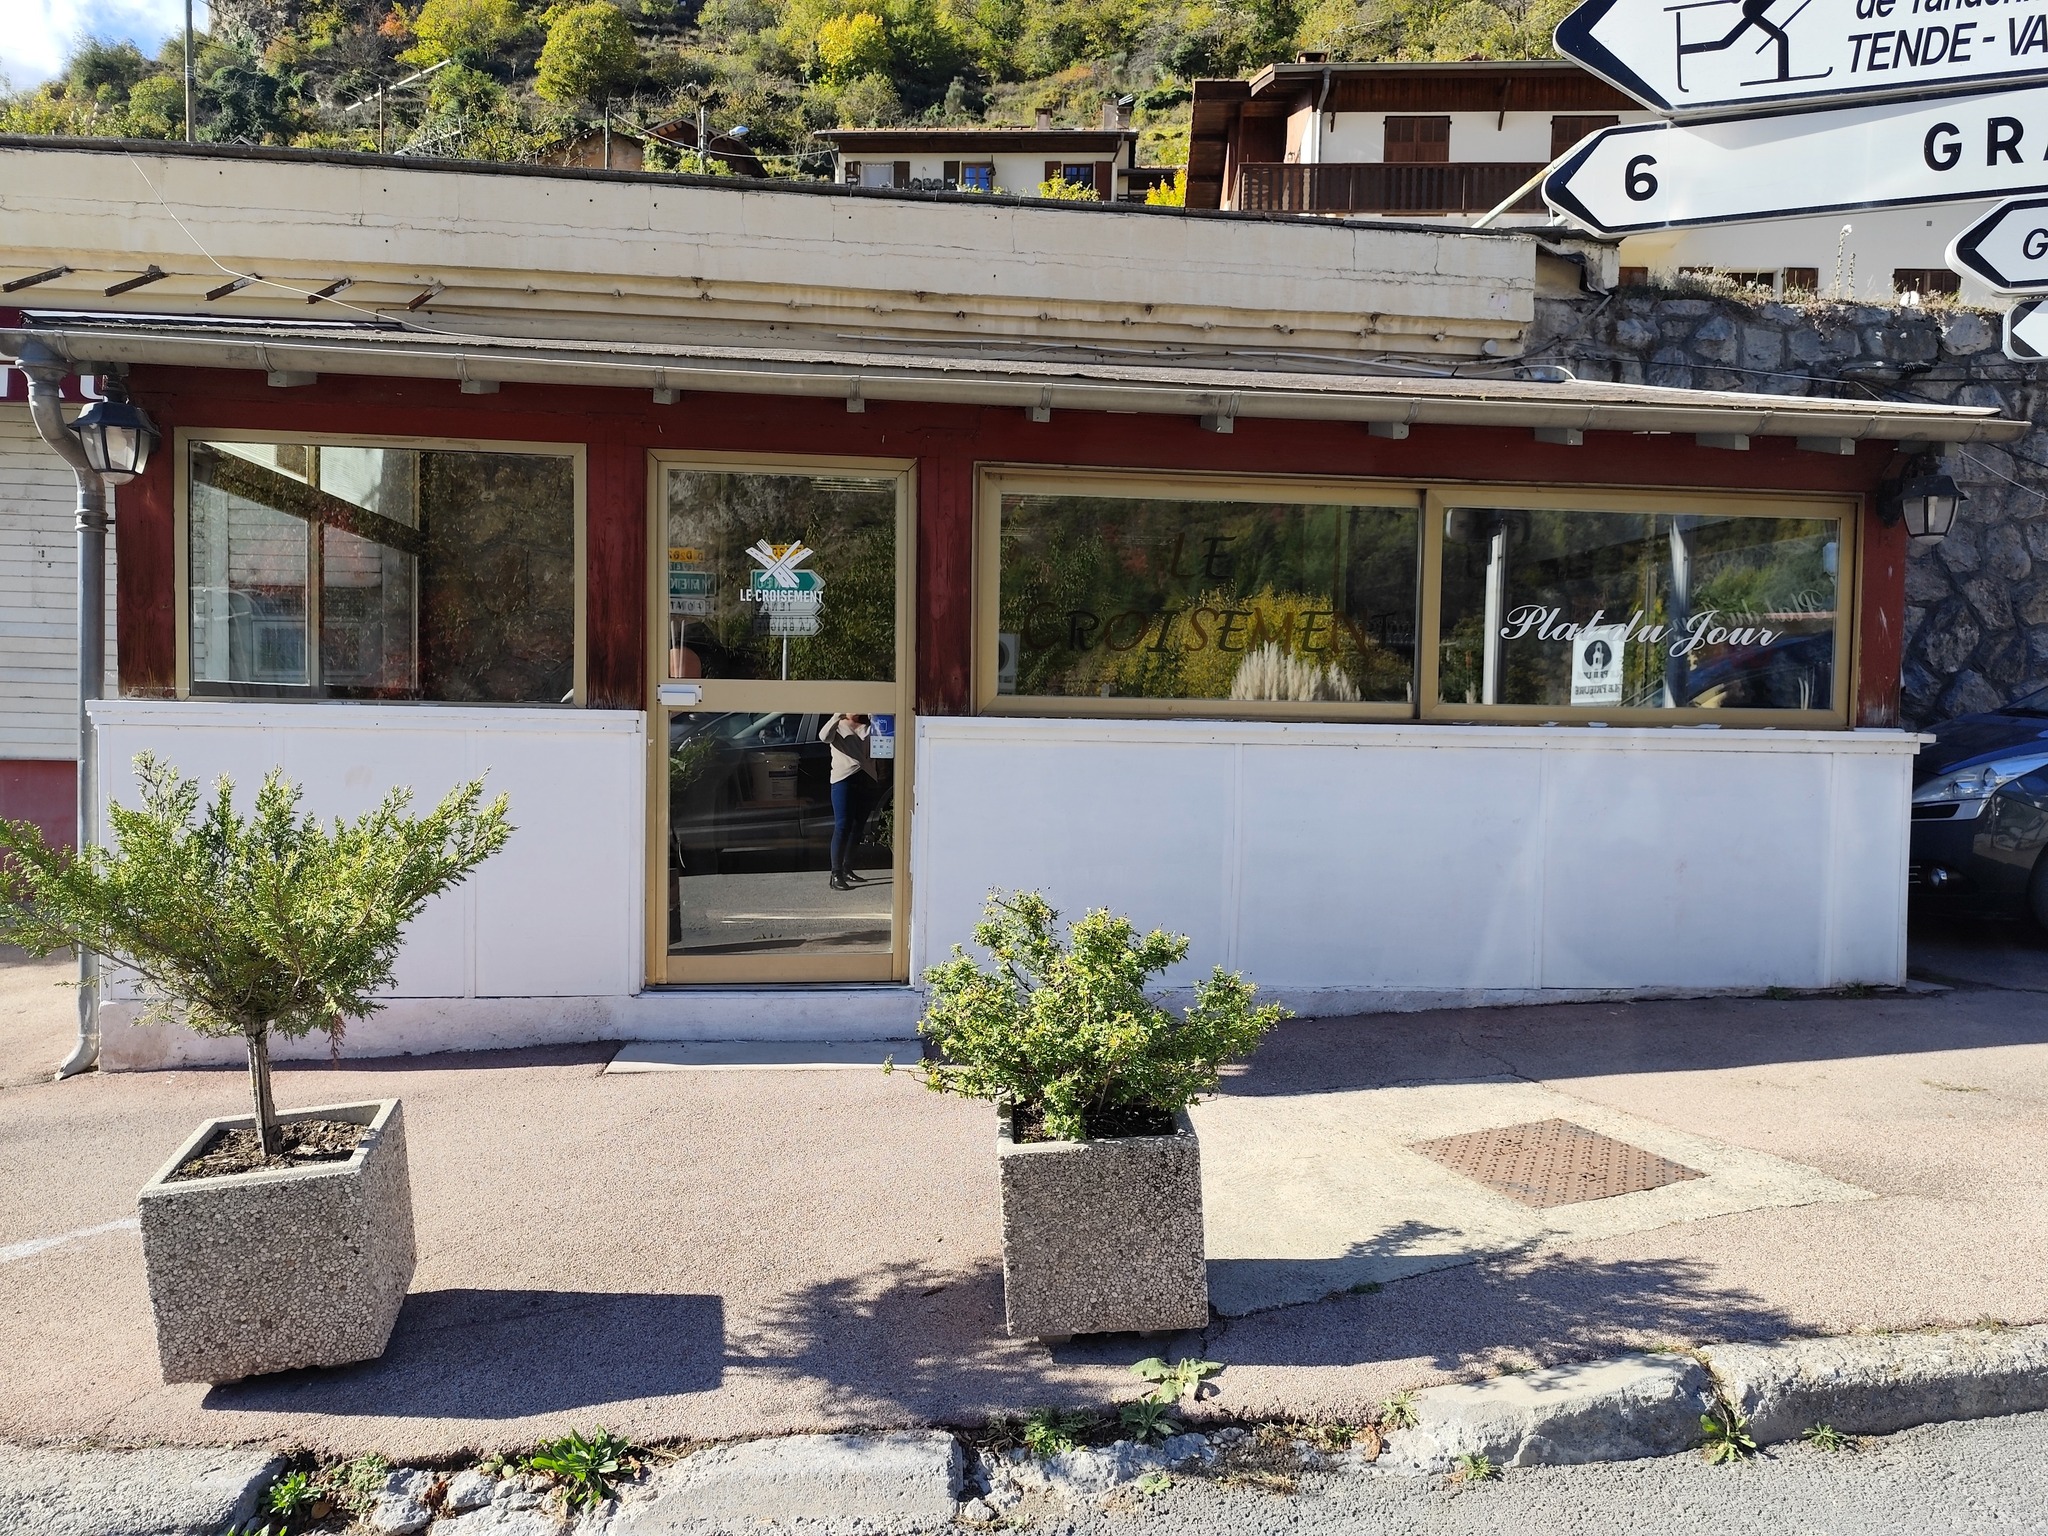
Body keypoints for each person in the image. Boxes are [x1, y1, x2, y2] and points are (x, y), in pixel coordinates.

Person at [820, 713, 879, 891]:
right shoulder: (838, 724)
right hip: (843, 779)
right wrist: (836, 715)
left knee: (858, 826)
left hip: (867, 778)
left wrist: (876, 718)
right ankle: (835, 873)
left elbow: (887, 740)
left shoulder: (870, 724)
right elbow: (823, 737)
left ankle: (847, 868)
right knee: (843, 825)